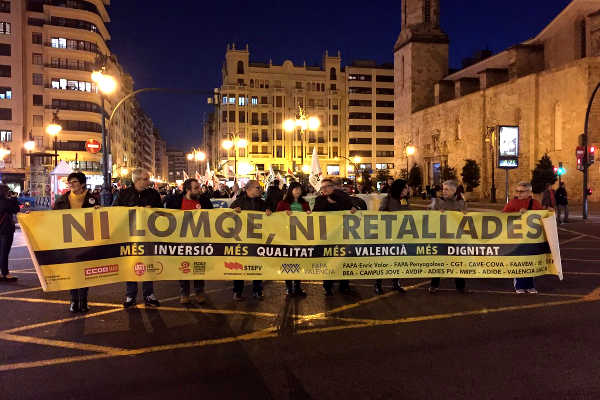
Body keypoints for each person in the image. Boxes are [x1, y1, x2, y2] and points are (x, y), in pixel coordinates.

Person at [113, 168, 162, 308]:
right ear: (137, 180)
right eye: (146, 179)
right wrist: (134, 209)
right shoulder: (124, 194)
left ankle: (149, 294)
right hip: (130, 236)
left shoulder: (153, 193)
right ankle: (130, 295)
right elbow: (114, 211)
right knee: (131, 264)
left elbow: (161, 211)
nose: (149, 181)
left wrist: (150, 209)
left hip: (148, 235)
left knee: (148, 263)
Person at [53, 172, 99, 312]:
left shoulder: (92, 199)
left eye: (74, 182)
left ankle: (83, 300)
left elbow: (100, 219)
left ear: (82, 184)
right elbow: (51, 217)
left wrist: (98, 210)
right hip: (69, 241)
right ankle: (73, 300)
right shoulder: (62, 200)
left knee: (85, 271)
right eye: (69, 182)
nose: (71, 184)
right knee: (72, 270)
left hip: (86, 240)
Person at [165, 178, 213, 305]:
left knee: (199, 267)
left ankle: (199, 292)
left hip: (200, 240)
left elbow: (214, 215)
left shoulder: (204, 200)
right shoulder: (175, 201)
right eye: (196, 188)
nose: (199, 190)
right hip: (182, 241)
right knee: (183, 268)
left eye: (199, 187)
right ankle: (184, 293)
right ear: (188, 190)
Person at [313, 178, 357, 296]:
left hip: (342, 234)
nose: (324, 189)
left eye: (327, 186)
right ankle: (327, 286)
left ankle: (344, 285)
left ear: (332, 187)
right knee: (328, 261)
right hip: (326, 236)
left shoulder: (342, 197)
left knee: (342, 260)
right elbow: (316, 213)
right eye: (322, 187)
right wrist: (328, 203)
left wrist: (349, 208)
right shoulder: (319, 199)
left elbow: (350, 208)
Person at [230, 180, 272, 300]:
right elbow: (227, 219)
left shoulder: (263, 203)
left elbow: (271, 219)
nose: (260, 190)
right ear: (249, 189)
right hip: (241, 240)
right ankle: (237, 291)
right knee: (239, 267)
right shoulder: (238, 203)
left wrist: (269, 212)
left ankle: (257, 290)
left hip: (257, 240)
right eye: (258, 188)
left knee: (257, 265)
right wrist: (233, 212)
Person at [503, 182, 542, 294]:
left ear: (529, 192)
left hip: (532, 238)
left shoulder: (535, 203)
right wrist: (517, 213)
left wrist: (530, 213)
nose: (518, 193)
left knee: (530, 261)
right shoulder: (512, 203)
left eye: (521, 191)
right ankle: (519, 286)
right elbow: (503, 217)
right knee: (519, 261)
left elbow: (540, 216)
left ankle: (530, 286)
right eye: (517, 191)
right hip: (517, 238)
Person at [428, 180, 467, 294]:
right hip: (441, 237)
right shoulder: (437, 202)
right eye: (443, 189)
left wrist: (464, 214)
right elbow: (427, 214)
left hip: (455, 238)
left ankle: (460, 286)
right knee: (439, 262)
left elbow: (467, 218)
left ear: (454, 190)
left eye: (446, 189)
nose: (443, 191)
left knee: (457, 262)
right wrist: (435, 212)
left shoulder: (461, 203)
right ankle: (434, 285)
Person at [276, 181, 311, 297]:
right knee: (288, 262)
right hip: (287, 237)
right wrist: (283, 214)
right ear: (290, 190)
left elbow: (310, 219)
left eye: (299, 189)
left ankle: (297, 287)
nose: (298, 191)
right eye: (295, 189)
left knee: (299, 262)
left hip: (301, 237)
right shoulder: (282, 203)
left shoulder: (305, 203)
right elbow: (276, 219)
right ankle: (288, 287)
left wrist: (309, 214)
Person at [375, 179, 409, 295]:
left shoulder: (404, 201)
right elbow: (380, 214)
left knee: (398, 260)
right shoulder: (387, 199)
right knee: (384, 261)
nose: (407, 189)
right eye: (405, 187)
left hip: (400, 236)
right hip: (387, 236)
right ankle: (378, 284)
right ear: (399, 188)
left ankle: (396, 283)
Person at [0, 184, 20, 283]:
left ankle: (1, 273)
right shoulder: (6, 202)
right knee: (4, 253)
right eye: (8, 190)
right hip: (5, 231)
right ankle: (5, 274)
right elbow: (16, 209)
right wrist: (14, 198)